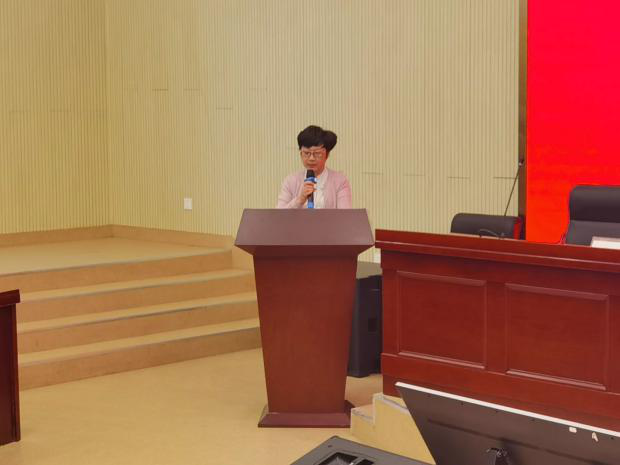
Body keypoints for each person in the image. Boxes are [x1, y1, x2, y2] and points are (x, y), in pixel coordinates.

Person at [277, 125, 352, 209]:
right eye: (306, 153)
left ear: (326, 155)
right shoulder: (290, 181)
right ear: (301, 154)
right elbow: (279, 214)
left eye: (317, 153)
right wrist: (299, 200)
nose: (311, 158)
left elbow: (345, 214)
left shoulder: (340, 181)